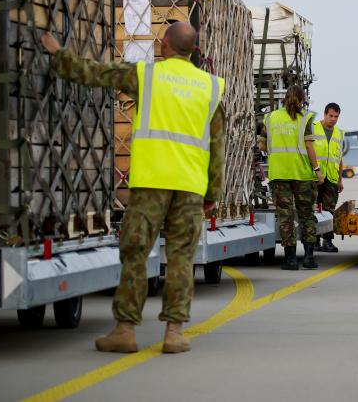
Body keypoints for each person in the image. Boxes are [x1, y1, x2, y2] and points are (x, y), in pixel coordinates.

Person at [40, 22, 224, 354]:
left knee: (136, 254)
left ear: (165, 45)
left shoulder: (147, 76)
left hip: (151, 183)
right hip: (190, 185)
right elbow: (217, 146)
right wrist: (212, 194)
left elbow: (96, 73)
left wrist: (58, 53)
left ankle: (125, 330)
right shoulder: (210, 87)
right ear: (193, 50)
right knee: (181, 258)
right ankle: (174, 333)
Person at [259, 85, 324, 270]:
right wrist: (317, 169)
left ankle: (290, 260)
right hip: (302, 174)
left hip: (280, 173)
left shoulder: (270, 118)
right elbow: (310, 147)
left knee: (285, 217)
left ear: (284, 98)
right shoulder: (306, 118)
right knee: (306, 216)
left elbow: (262, 146)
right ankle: (309, 258)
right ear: (302, 99)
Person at [312, 103, 344, 253]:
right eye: (331, 116)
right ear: (324, 115)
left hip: (331, 178)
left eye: (336, 116)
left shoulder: (339, 133)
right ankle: (314, 241)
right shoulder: (313, 128)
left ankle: (328, 241)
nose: (333, 119)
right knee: (314, 210)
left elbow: (339, 159)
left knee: (329, 211)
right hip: (315, 177)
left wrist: (340, 180)